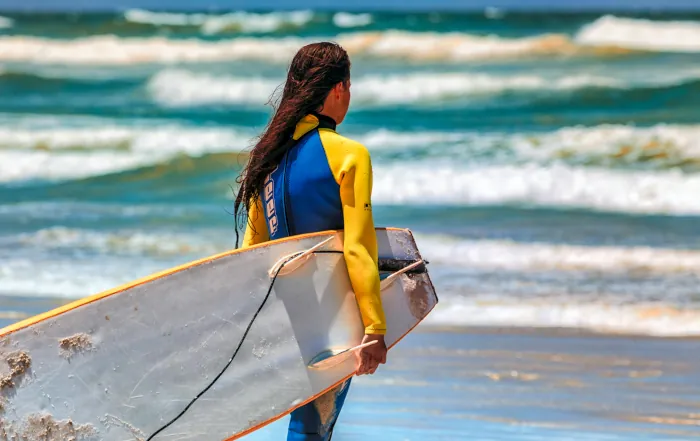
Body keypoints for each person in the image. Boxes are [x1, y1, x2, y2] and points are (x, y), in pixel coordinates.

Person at [233, 42, 388, 441]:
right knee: (313, 429)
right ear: (339, 89)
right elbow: (357, 248)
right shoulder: (350, 155)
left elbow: (251, 253)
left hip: (287, 314)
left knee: (307, 424)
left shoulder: (266, 159)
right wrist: (374, 327)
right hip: (333, 315)